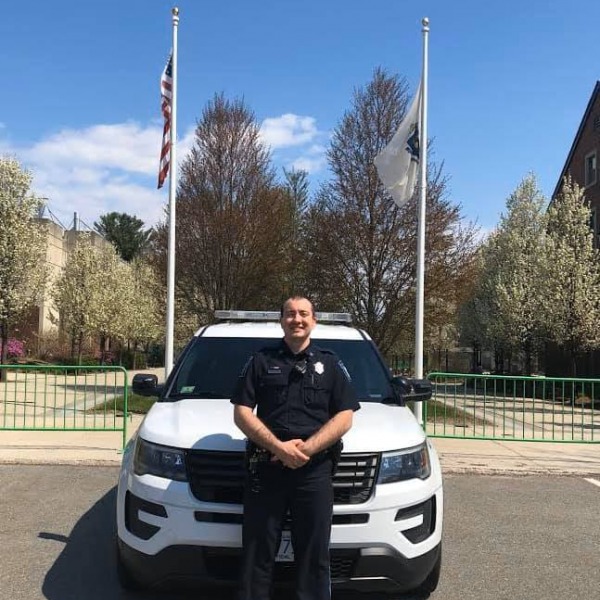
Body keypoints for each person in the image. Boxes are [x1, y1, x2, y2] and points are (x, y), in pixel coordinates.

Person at [231, 296, 360, 600]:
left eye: (303, 314)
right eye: (290, 314)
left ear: (314, 321)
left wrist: (305, 450)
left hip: (314, 472)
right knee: (256, 554)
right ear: (281, 321)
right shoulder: (260, 361)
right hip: (266, 469)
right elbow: (242, 412)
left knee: (314, 556)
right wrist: (278, 447)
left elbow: (345, 416)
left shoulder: (330, 363)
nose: (297, 319)